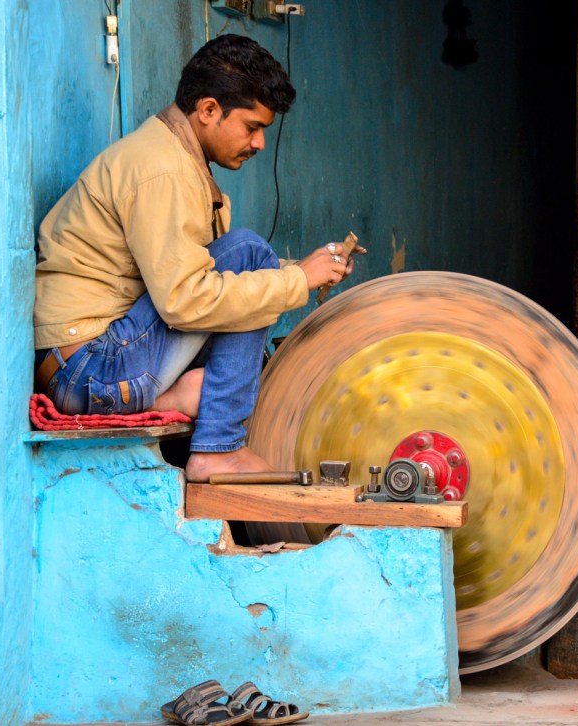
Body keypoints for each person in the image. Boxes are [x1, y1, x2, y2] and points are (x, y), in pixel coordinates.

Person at [33, 34, 357, 482]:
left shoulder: (173, 156)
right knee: (247, 252)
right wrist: (297, 280)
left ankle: (183, 401)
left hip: (90, 367)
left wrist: (303, 270)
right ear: (207, 110)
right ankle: (219, 448)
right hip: (92, 368)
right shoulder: (163, 169)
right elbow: (185, 299)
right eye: (252, 126)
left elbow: (200, 276)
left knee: (252, 269)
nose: (260, 143)